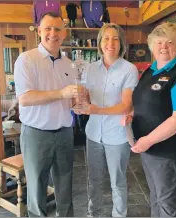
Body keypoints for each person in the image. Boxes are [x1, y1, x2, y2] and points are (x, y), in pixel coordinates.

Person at [123, 22, 176, 217]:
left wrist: (148, 140)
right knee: (156, 199)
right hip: (148, 150)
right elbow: (144, 102)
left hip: (169, 154)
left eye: (170, 42)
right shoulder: (151, 70)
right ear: (151, 45)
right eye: (159, 42)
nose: (164, 46)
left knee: (168, 206)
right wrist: (132, 115)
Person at [14, 12, 80, 217]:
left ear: (64, 33)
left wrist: (80, 101)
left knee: (65, 183)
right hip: (36, 134)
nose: (53, 33)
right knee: (36, 187)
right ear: (39, 31)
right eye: (48, 28)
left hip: (65, 133)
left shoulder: (69, 64)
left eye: (58, 29)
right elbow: (24, 98)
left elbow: (71, 100)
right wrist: (61, 93)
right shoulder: (26, 59)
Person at [74, 23, 138, 217]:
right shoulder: (90, 69)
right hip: (93, 134)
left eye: (116, 38)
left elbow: (126, 105)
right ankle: (93, 214)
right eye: (106, 38)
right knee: (93, 179)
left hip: (117, 135)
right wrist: (78, 101)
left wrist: (95, 109)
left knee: (117, 182)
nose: (111, 43)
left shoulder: (129, 69)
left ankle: (119, 215)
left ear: (121, 44)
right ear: (100, 43)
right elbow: (85, 96)